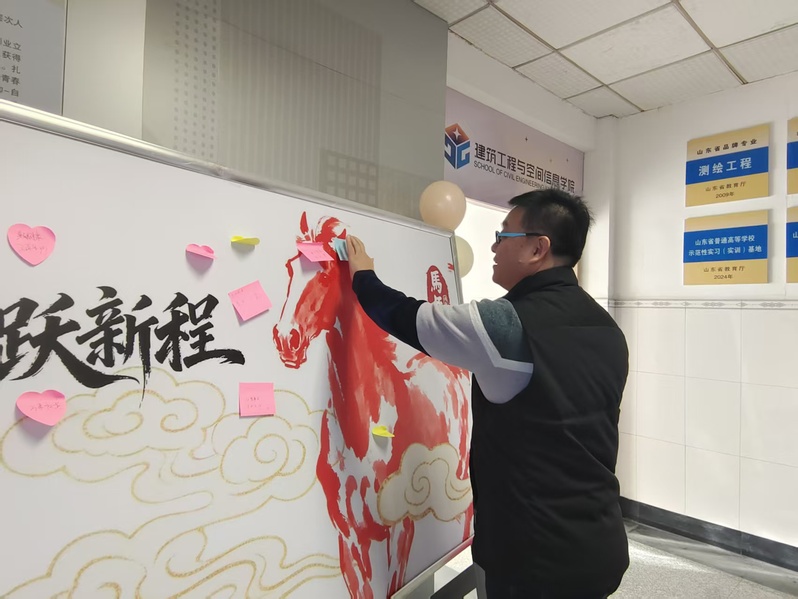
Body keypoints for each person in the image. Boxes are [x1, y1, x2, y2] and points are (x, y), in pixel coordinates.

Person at [345, 188, 629, 599]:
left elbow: (407, 317)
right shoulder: (608, 329)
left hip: (532, 559)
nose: (494, 246)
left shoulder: (507, 326)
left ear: (538, 248)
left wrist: (363, 276)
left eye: (504, 235)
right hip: (599, 542)